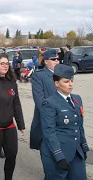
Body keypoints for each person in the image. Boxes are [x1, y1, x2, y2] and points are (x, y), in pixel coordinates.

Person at [40, 64, 89, 179]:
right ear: (57, 83)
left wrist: (84, 146)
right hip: (57, 153)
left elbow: (79, 125)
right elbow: (49, 132)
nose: (70, 84)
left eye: (71, 81)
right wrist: (59, 156)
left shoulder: (77, 99)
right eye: (66, 81)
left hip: (76, 151)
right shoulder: (49, 103)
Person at [30, 49, 60, 177]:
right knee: (48, 155)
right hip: (47, 121)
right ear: (46, 61)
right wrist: (52, 116)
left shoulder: (62, 74)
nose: (57, 61)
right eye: (54, 59)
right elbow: (39, 101)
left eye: (58, 59)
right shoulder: (39, 75)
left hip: (62, 122)